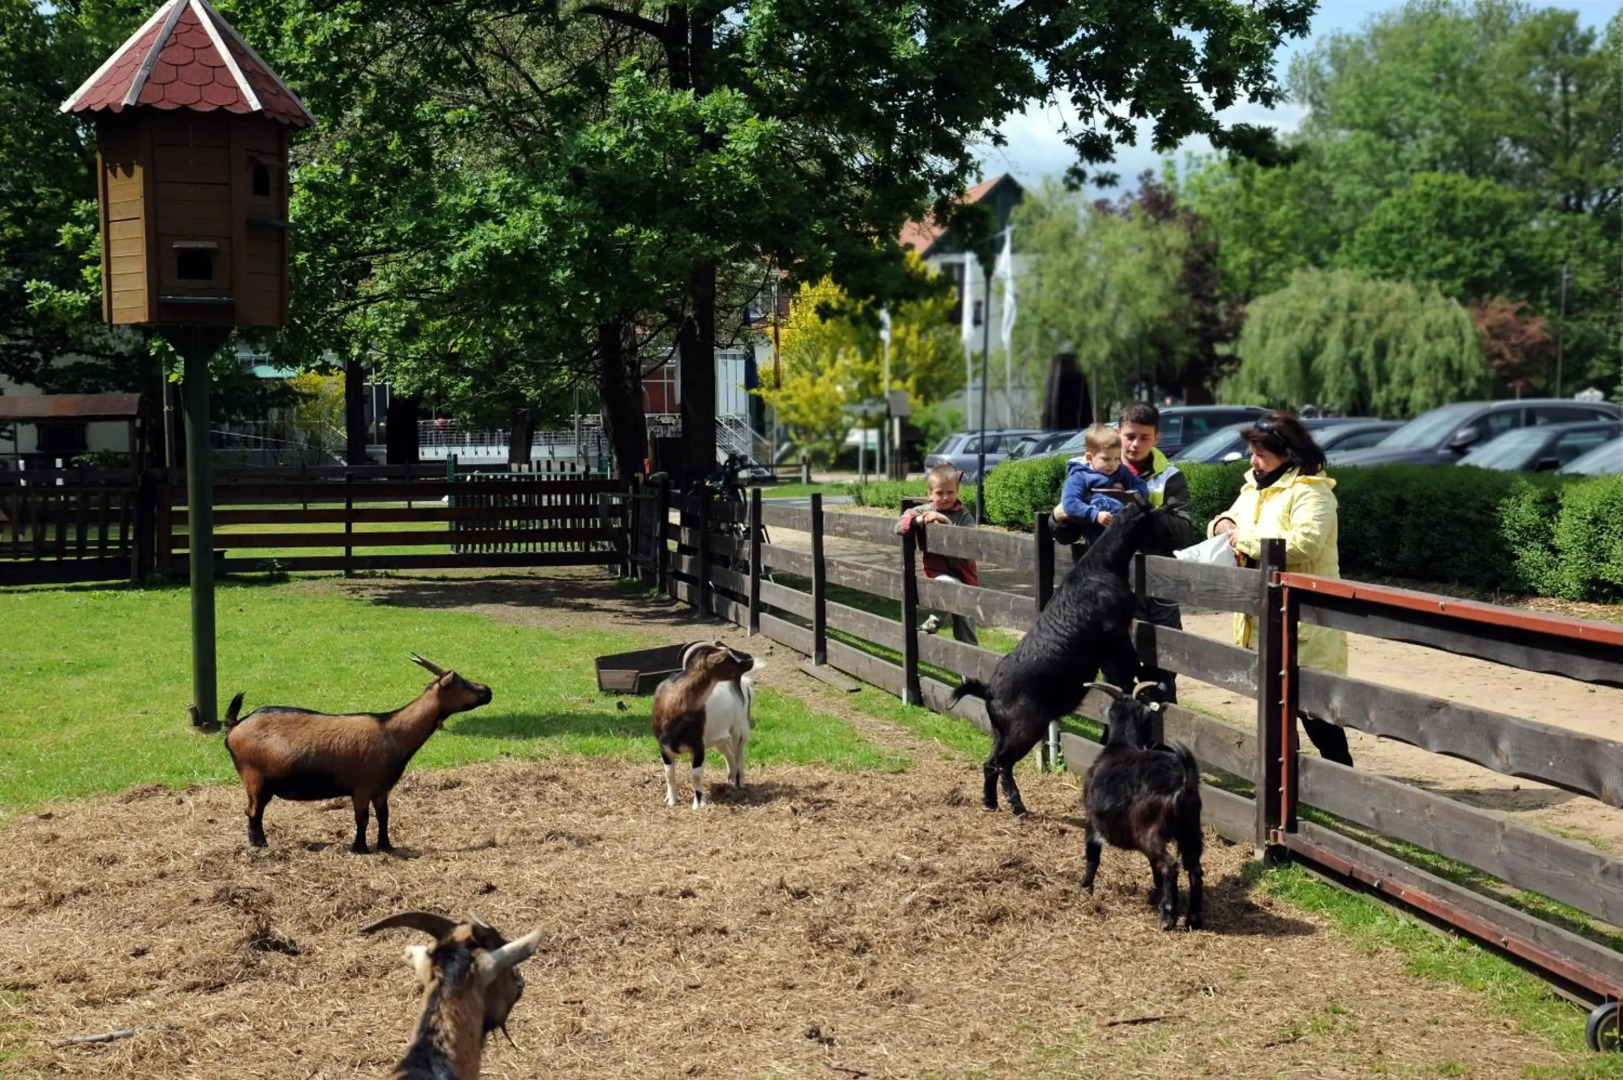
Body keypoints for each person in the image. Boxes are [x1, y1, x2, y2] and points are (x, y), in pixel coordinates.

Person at [1209, 411, 1353, 766]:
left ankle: (1343, 786)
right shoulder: (1254, 488)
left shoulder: (1312, 492)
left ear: (1287, 454)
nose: (1253, 461)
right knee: (1274, 711)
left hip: (1306, 622)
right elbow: (1228, 522)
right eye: (1252, 453)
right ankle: (1284, 785)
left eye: (1261, 454)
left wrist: (1242, 538)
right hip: (1264, 620)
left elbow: (1305, 544)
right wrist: (1221, 524)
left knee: (1317, 715)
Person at [895, 464, 980, 645]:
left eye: (950, 492)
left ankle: (971, 671)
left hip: (965, 577)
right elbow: (897, 526)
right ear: (930, 493)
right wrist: (917, 520)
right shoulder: (923, 510)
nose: (945, 497)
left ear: (957, 491)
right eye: (940, 493)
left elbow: (968, 542)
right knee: (949, 585)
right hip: (938, 573)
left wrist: (944, 521)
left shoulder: (965, 516)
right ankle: (935, 619)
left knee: (966, 626)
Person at [1049, 424, 1148, 546]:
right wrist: (1095, 515)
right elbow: (1070, 503)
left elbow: (1139, 485)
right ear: (1090, 457)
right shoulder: (1080, 477)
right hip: (1097, 532)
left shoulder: (1121, 471)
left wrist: (1133, 495)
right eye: (1106, 459)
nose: (1112, 464)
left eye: (1117, 458)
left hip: (1125, 526)